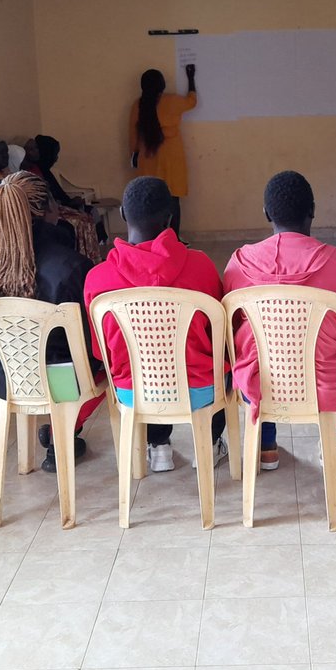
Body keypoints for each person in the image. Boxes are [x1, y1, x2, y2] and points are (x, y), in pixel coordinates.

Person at [223, 171, 336, 470]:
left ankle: (266, 446)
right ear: (313, 210)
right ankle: (333, 440)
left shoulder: (238, 263)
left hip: (261, 387)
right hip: (327, 386)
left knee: (255, 353)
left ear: (266, 213)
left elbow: (232, 331)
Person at [0, 173, 100, 468]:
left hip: (9, 378)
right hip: (62, 384)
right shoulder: (72, 265)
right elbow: (87, 344)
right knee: (111, 359)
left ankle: (55, 437)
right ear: (49, 210)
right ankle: (63, 437)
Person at [83, 176, 228, 472]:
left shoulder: (97, 278)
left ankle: (158, 447)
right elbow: (220, 337)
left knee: (141, 366)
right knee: (221, 367)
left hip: (133, 392)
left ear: (122, 214)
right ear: (171, 218)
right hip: (200, 389)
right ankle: (210, 444)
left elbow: (101, 353)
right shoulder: (201, 266)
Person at [130, 65, 198, 235]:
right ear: (162, 85)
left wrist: (134, 152)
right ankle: (174, 238)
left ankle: (150, 237)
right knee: (173, 197)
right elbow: (192, 101)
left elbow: (133, 135)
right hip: (172, 155)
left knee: (150, 198)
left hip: (148, 156)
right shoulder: (172, 101)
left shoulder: (138, 105)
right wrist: (190, 77)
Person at [33, 134, 103, 263]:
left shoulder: (45, 171)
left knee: (92, 212)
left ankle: (95, 252)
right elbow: (51, 199)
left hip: (59, 205)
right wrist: (70, 202)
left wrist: (71, 201)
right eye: (54, 154)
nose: (56, 158)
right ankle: (85, 257)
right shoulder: (35, 173)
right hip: (54, 208)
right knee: (83, 219)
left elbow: (58, 194)